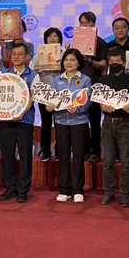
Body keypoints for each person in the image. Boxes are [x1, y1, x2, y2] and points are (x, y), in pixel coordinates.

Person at [0, 42, 40, 203]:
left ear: (27, 57)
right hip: (5, 121)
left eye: (20, 54)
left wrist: (21, 112)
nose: (16, 57)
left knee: (25, 156)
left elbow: (33, 98)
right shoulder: (4, 74)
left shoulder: (33, 75)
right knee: (7, 155)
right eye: (14, 54)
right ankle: (10, 187)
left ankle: (23, 189)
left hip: (24, 121)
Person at [47, 48, 91, 202]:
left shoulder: (85, 79)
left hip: (79, 121)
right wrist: (50, 106)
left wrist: (78, 108)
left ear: (79, 63)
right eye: (66, 59)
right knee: (63, 155)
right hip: (60, 121)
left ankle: (78, 189)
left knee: (78, 156)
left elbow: (88, 100)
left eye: (72, 60)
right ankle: (64, 189)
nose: (69, 62)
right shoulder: (57, 80)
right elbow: (52, 99)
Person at [96, 48, 129, 207]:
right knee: (108, 161)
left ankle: (125, 194)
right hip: (108, 123)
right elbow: (98, 101)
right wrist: (102, 106)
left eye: (118, 61)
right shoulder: (102, 80)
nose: (114, 63)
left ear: (124, 62)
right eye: (112, 61)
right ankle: (109, 192)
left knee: (126, 162)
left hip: (126, 124)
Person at [77, 11, 108, 165]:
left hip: (95, 84)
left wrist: (90, 61)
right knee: (80, 120)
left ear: (94, 24)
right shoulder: (76, 42)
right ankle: (83, 150)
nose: (84, 25)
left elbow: (104, 65)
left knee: (95, 121)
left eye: (87, 23)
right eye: (82, 23)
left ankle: (95, 151)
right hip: (78, 85)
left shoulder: (101, 43)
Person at [34, 27, 63, 162]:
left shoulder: (64, 53)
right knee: (45, 123)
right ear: (45, 39)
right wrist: (38, 71)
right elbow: (33, 71)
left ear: (59, 39)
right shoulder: (39, 55)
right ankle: (45, 151)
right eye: (49, 36)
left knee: (59, 122)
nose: (52, 38)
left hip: (60, 92)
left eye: (55, 36)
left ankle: (59, 150)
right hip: (44, 92)